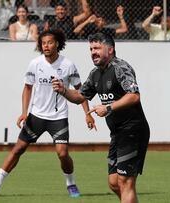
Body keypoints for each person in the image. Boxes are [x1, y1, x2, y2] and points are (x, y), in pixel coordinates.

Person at [0, 29, 96, 198]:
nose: (46, 46)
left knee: (62, 153)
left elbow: (81, 91)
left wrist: (88, 113)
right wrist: (23, 112)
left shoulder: (68, 65)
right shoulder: (35, 64)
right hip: (36, 117)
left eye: (49, 42)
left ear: (57, 44)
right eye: (43, 43)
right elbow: (27, 88)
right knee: (18, 149)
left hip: (58, 118)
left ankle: (71, 184)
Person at [51, 32, 150, 203]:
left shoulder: (120, 67)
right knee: (113, 183)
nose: (93, 52)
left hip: (133, 130)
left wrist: (108, 107)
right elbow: (79, 97)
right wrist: (63, 90)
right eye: (91, 49)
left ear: (110, 50)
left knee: (125, 182)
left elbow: (134, 96)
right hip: (117, 133)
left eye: (97, 48)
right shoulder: (95, 74)